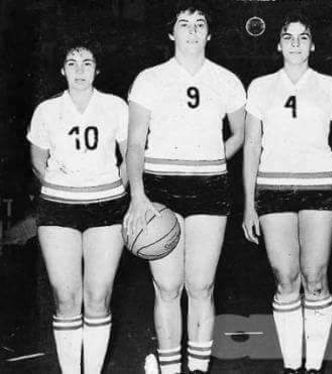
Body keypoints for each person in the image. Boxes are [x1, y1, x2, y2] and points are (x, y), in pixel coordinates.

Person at [122, 1, 246, 373]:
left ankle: (197, 369)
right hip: (160, 188)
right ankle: (171, 368)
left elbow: (240, 134)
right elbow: (133, 144)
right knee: (167, 287)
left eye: (199, 23)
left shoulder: (226, 79)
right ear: (171, 32)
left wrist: (211, 160)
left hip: (209, 186)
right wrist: (138, 196)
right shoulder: (149, 79)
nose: (192, 30)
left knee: (201, 287)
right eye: (183, 23)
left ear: (209, 33)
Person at [242, 13, 332, 374]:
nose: (295, 43)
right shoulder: (260, 86)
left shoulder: (330, 86)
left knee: (315, 276)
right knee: (284, 276)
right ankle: (292, 365)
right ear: (277, 44)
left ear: (312, 44)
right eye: (288, 37)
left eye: (302, 37)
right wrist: (248, 204)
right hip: (273, 186)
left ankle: (314, 366)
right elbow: (252, 147)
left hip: (321, 185)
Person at [27, 38, 128, 374]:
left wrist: (116, 190)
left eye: (87, 63)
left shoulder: (115, 106)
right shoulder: (46, 110)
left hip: (106, 207)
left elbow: (131, 156)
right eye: (72, 63)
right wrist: (66, 187)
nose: (80, 70)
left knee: (98, 297)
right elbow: (38, 162)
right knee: (66, 299)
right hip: (59, 209)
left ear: (97, 69)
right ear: (62, 70)